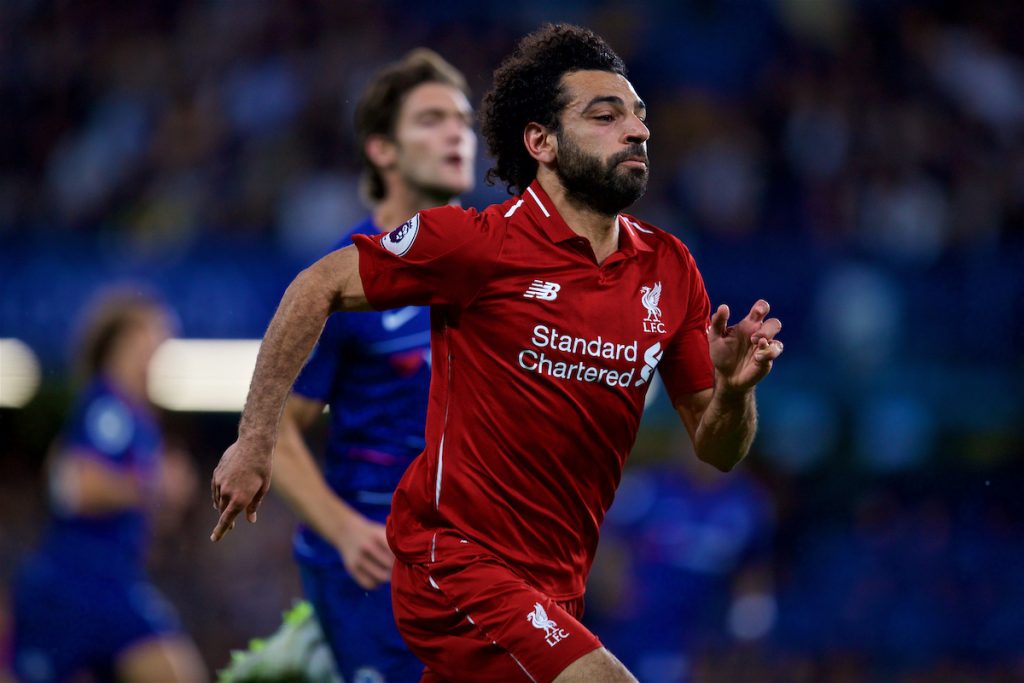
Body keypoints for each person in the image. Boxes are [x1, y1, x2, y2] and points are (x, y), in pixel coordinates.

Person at [210, 24, 784, 683]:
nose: (637, 130)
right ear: (540, 142)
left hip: (555, 586)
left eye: (638, 114)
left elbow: (717, 448)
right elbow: (317, 285)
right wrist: (254, 439)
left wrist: (737, 393)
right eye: (606, 114)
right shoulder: (478, 245)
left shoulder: (670, 268)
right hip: (453, 562)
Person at [268, 48, 476, 682]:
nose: (456, 134)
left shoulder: (492, 263)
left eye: (463, 121)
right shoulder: (341, 280)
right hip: (374, 566)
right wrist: (346, 531)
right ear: (383, 151)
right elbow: (271, 433)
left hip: (469, 559)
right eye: (432, 119)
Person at [10, 288, 207, 683]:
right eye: (150, 337)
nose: (156, 351)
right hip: (81, 585)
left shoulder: (136, 418)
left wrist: (163, 500)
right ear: (122, 343)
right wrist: (156, 484)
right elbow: (75, 487)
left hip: (103, 583)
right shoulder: (109, 407)